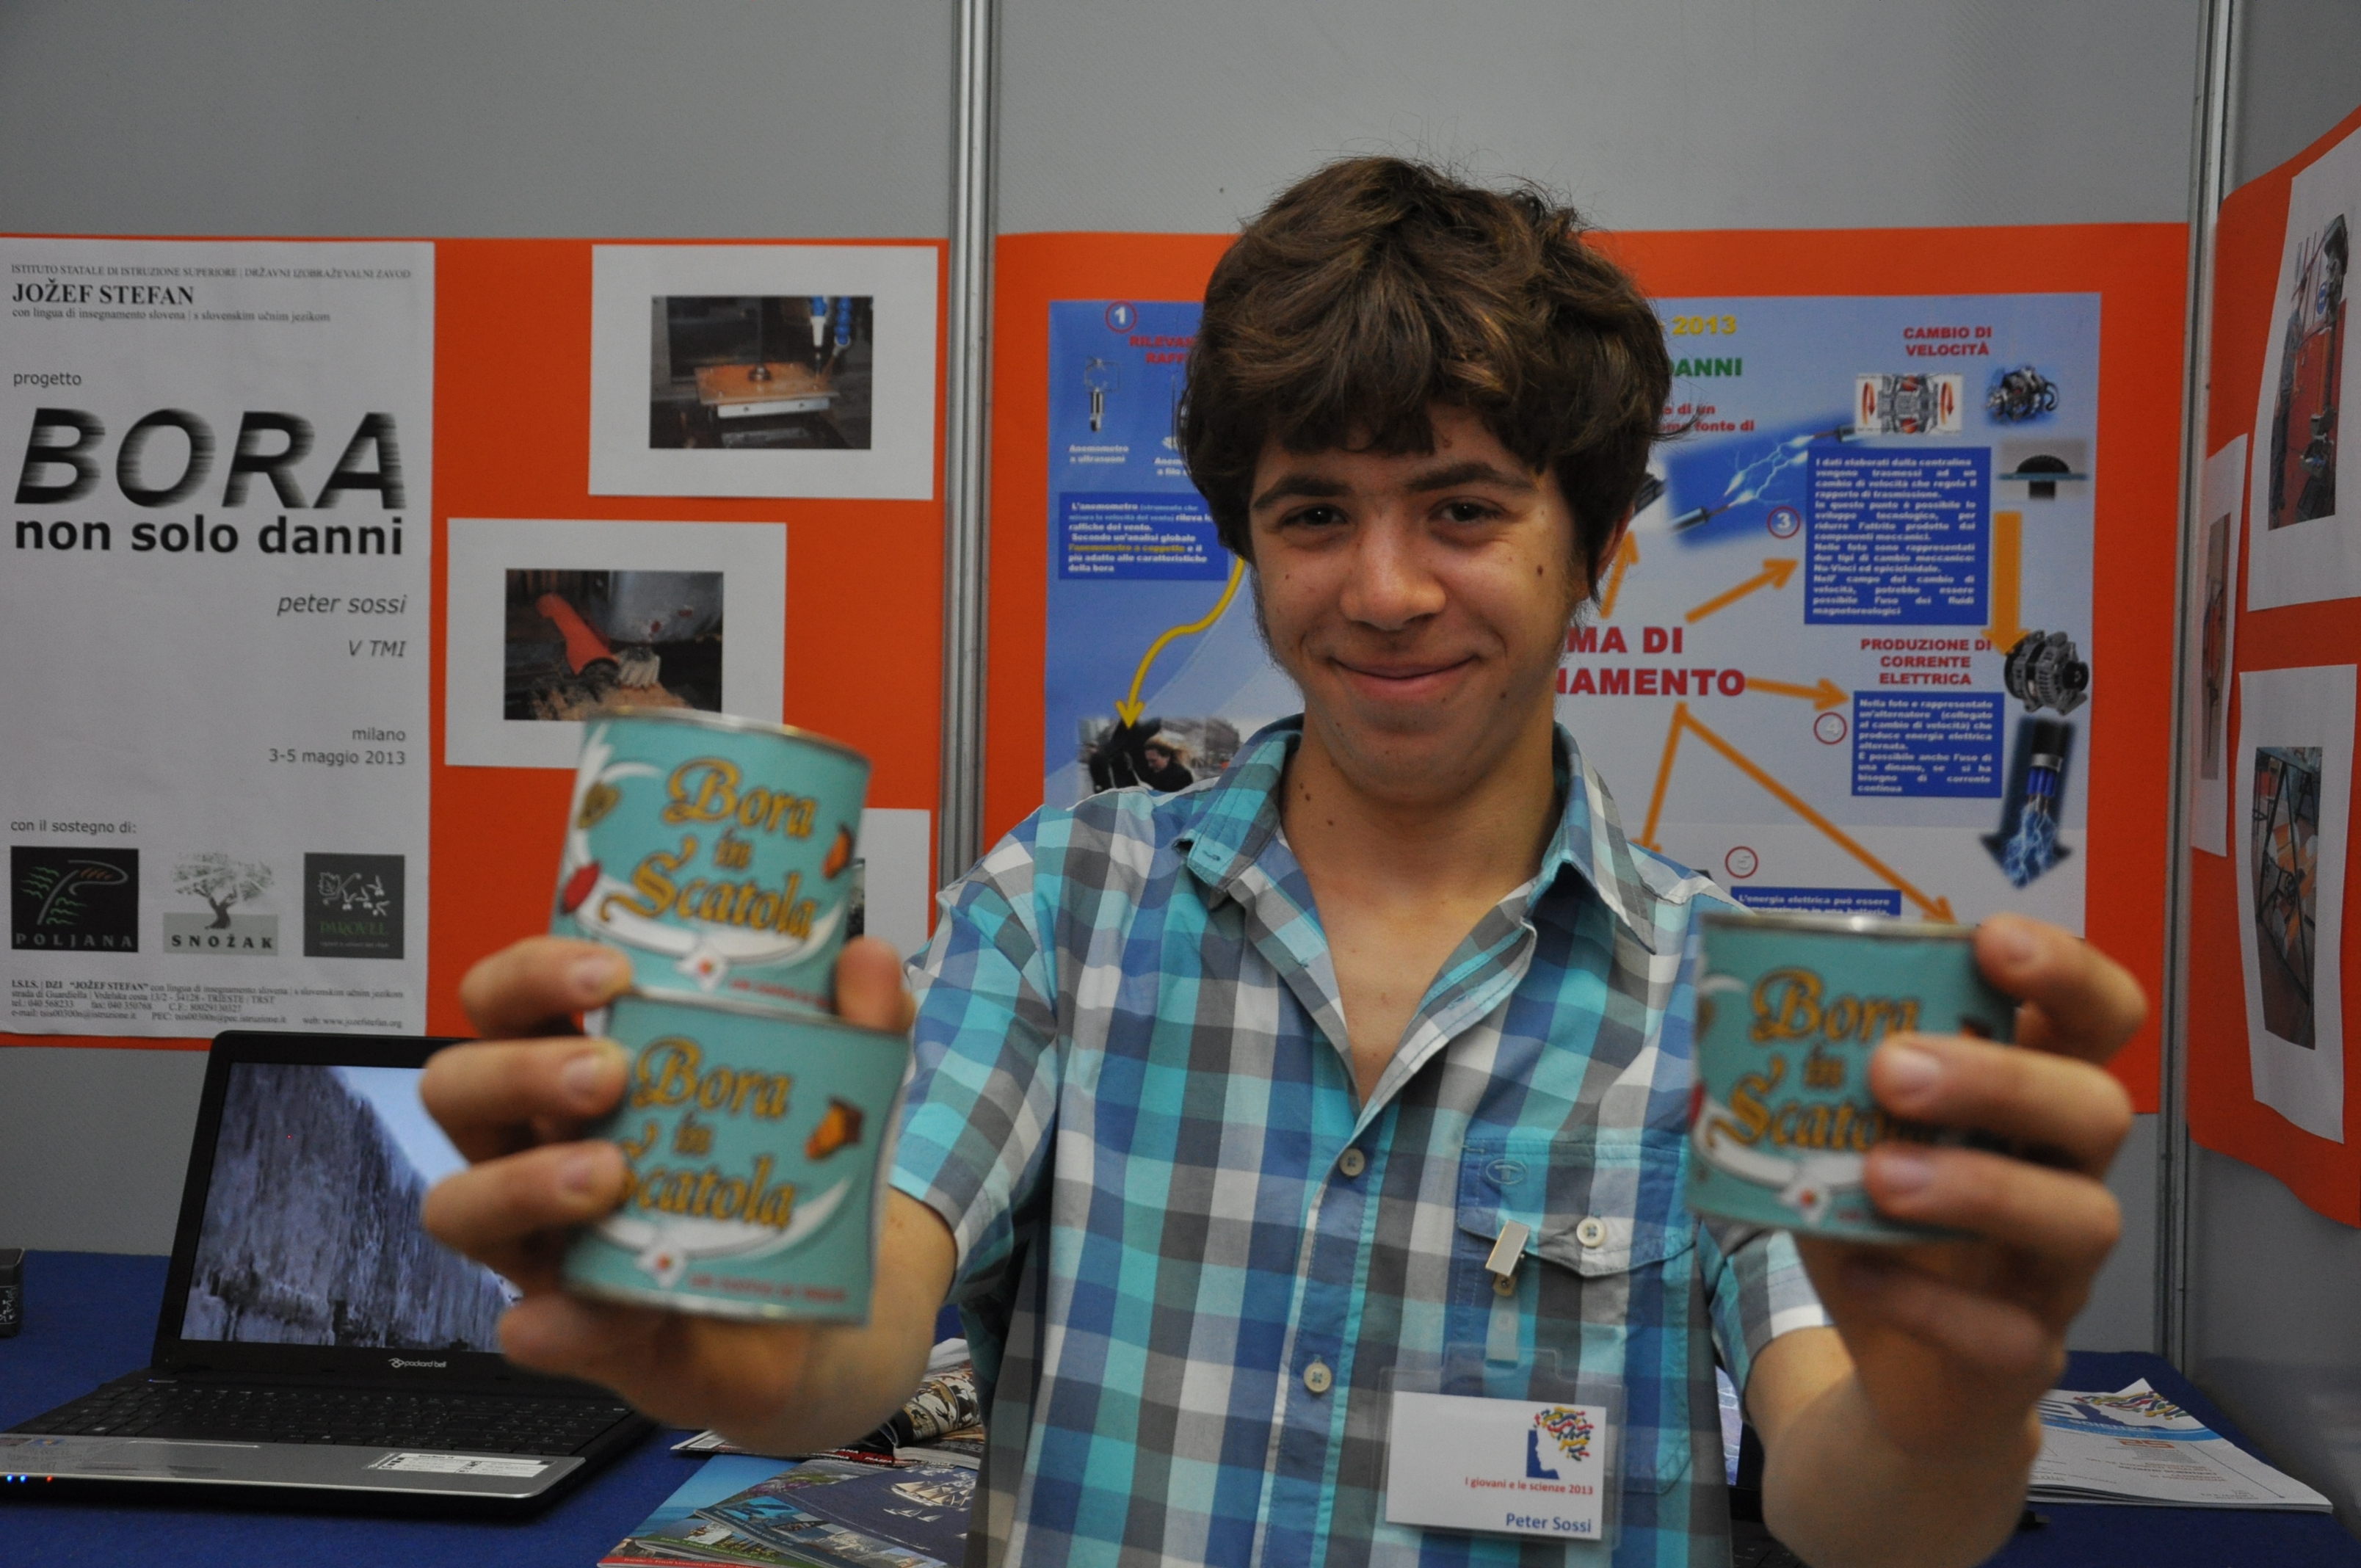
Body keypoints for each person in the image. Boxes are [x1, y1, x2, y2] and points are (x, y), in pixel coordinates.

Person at [421, 158, 2142, 1567]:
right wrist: (740, 1335)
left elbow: (1854, 1492)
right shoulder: (1061, 910)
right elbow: (858, 1327)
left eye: (1464, 509)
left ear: (1598, 550)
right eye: (1315, 512)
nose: (1383, 589)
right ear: (1250, 543)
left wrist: (1943, 1427)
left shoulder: (1730, 996)